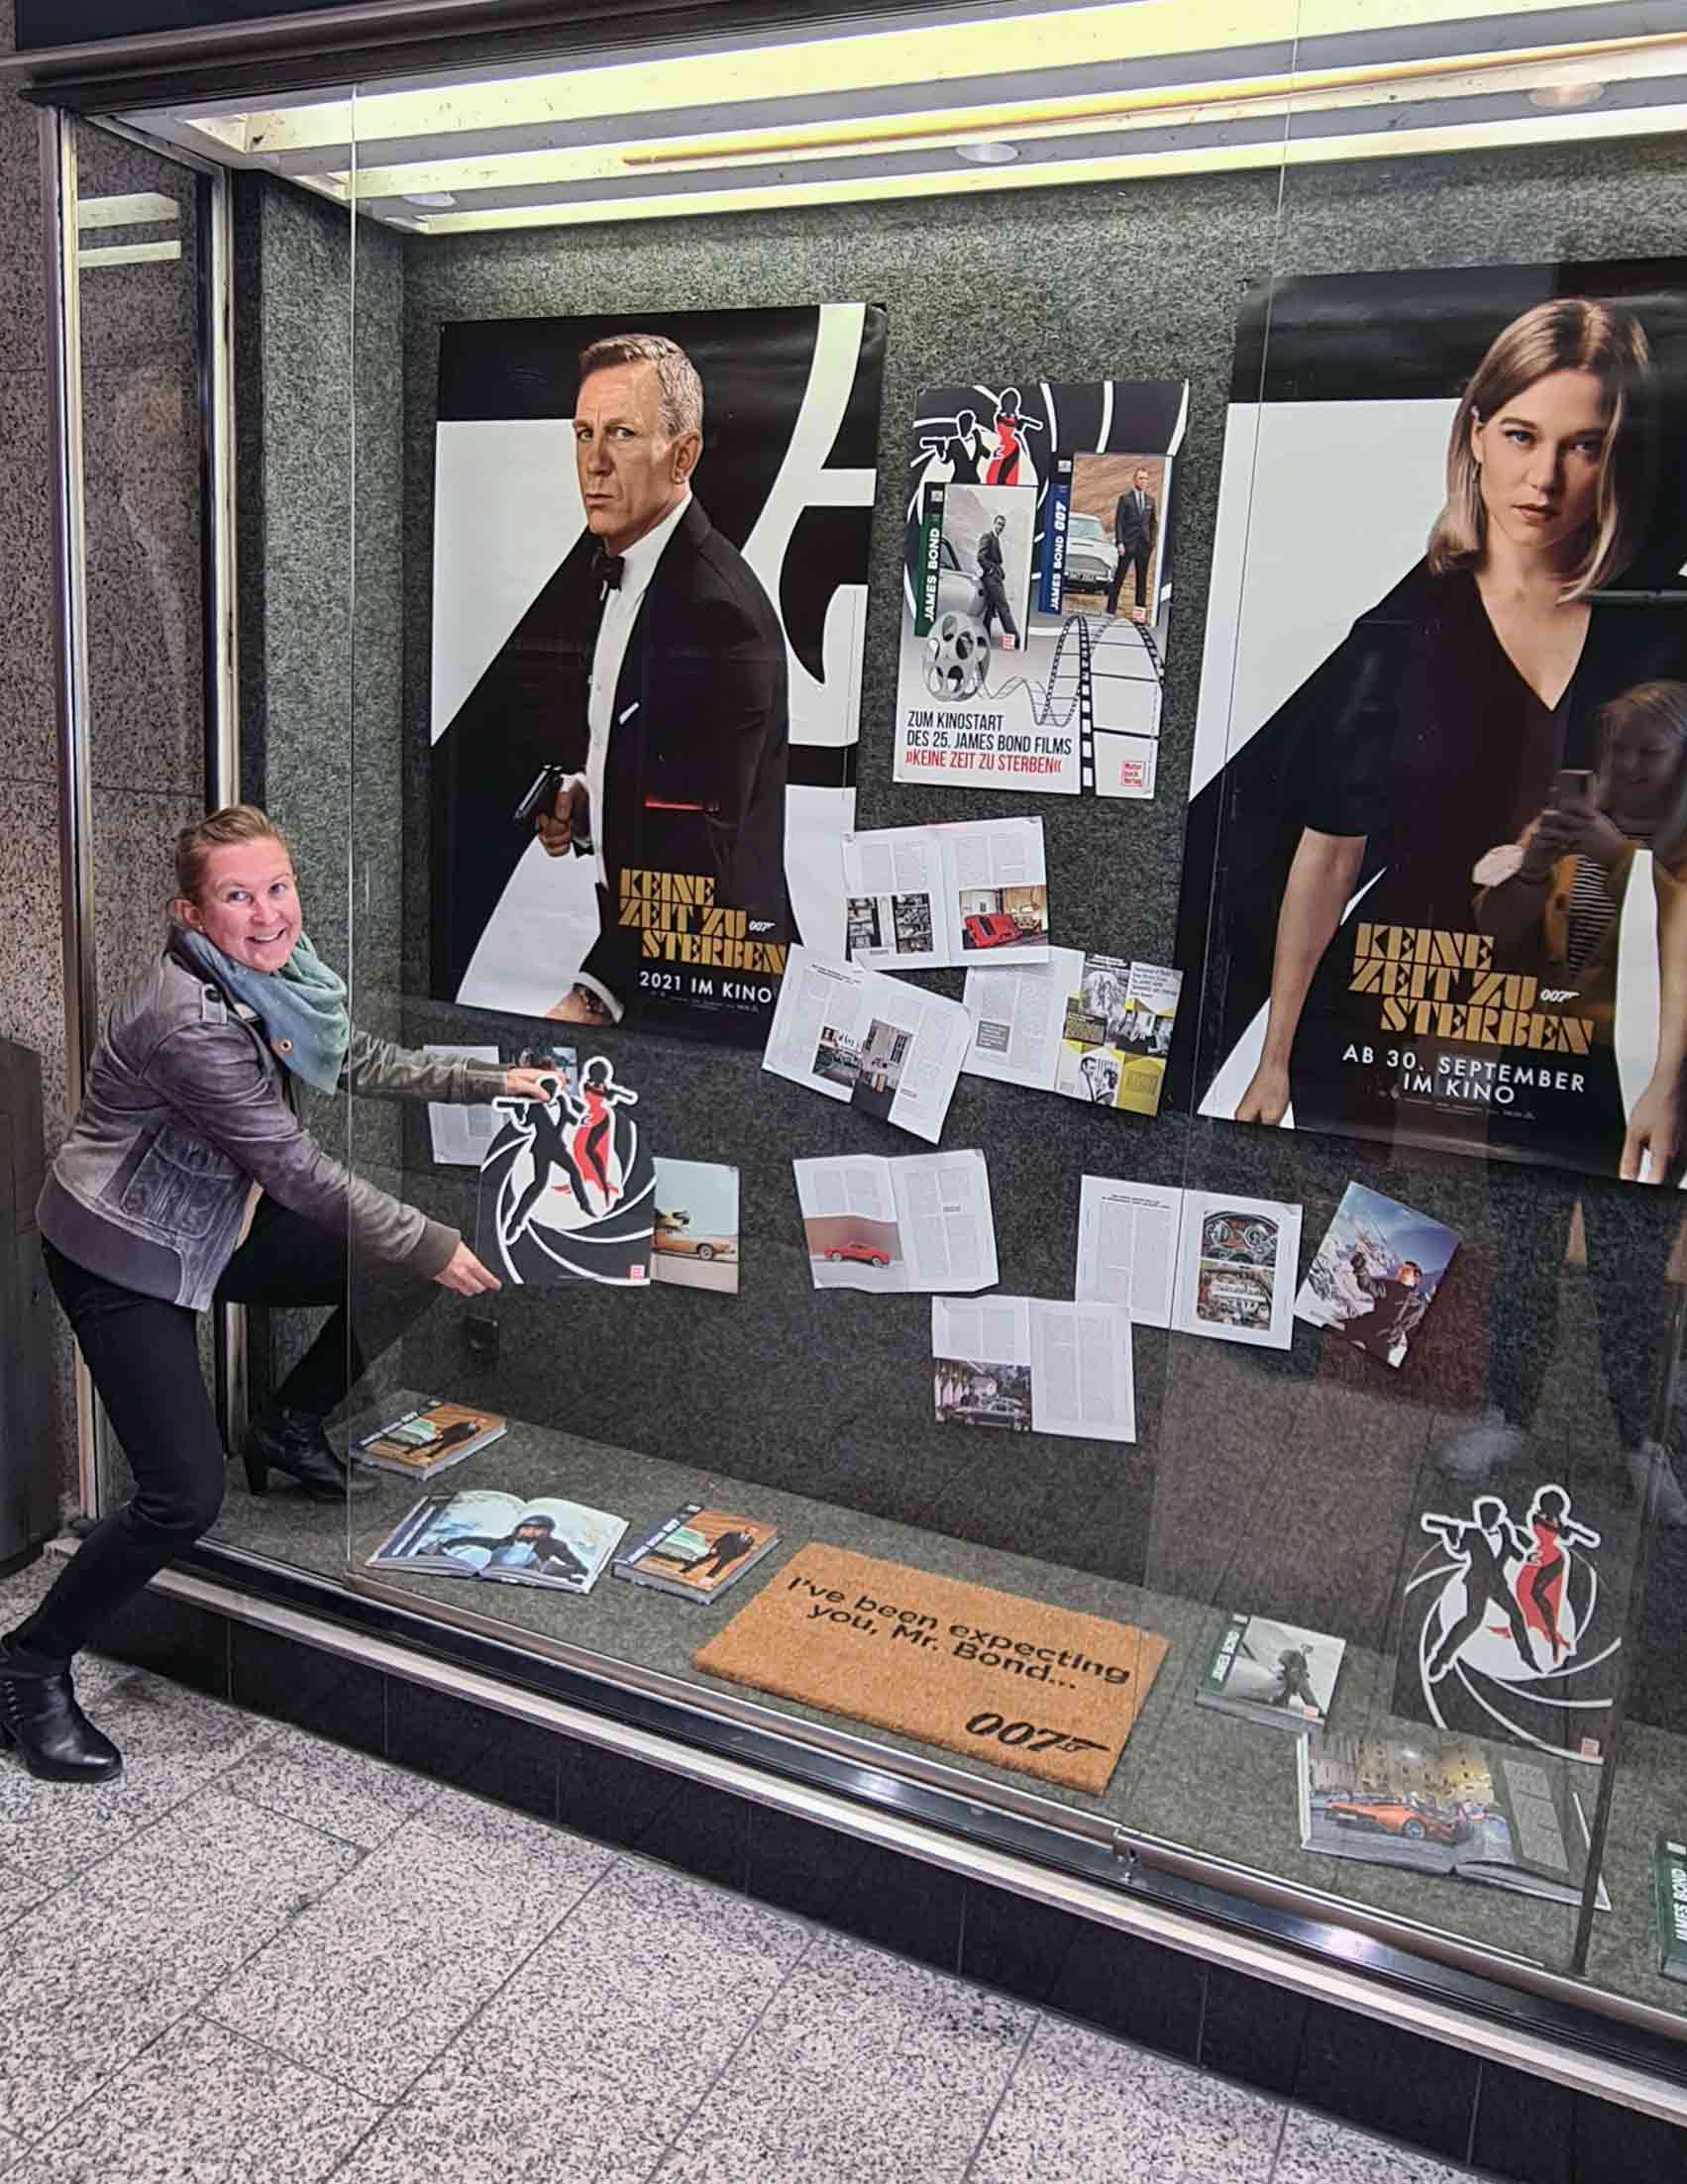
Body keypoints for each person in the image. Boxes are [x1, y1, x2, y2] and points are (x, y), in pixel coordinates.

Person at [0, 806, 553, 1785]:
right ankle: (29, 1662)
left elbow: (358, 1057)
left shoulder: (280, 979)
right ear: (191, 913)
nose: (267, 914)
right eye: (237, 896)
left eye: (278, 887)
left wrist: (491, 1080)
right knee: (181, 1496)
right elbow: (296, 1169)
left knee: (387, 1264)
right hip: (125, 1253)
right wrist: (433, 1241)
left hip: (213, 1226)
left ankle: (287, 1425)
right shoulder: (188, 1023)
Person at [1228, 296, 1687, 1178]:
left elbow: (1679, 875)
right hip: (1377, 1031)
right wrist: (1274, 1054)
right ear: (1475, 435)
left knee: (1539, 1263)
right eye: (1520, 435)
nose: (1543, 478)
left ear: (1617, 457)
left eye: (1583, 446)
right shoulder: (1397, 634)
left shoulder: (1651, 638)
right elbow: (1327, 858)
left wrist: (1670, 1074)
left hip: (1556, 1041)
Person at [431, 331, 791, 1029]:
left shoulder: (717, 614)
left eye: (622, 434)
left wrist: (596, 993)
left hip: (703, 985)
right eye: (583, 433)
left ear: (683, 456)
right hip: (645, 958)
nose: (593, 462)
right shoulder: (626, 568)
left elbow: (700, 845)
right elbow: (656, 759)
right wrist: (586, 802)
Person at [439, 1514, 589, 1585]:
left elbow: (573, 1562)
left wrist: (578, 1573)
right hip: (496, 1573)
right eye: (527, 1528)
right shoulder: (506, 1542)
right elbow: (482, 1541)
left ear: (547, 1531)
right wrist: (453, 1542)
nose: (531, 1532)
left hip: (529, 1575)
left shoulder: (554, 1545)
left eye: (537, 1529)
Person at [1107, 465, 1157, 621]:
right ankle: (1110, 611)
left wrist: (1152, 542)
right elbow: (1119, 522)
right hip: (1128, 545)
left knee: (1142, 582)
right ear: (1134, 480)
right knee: (1119, 578)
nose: (1143, 481)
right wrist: (1120, 542)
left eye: (1146, 478)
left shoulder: (1150, 501)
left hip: (1144, 547)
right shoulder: (1125, 498)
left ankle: (1139, 616)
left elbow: (1153, 523)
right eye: (1141, 478)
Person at [977, 514, 1019, 647]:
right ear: (994, 523)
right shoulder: (987, 537)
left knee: (990, 610)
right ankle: (1014, 639)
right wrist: (990, 569)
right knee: (1003, 607)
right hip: (991, 579)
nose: (1000, 527)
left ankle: (983, 638)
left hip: (995, 577)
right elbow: (980, 557)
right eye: (999, 524)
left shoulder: (996, 539)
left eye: (1002, 525)